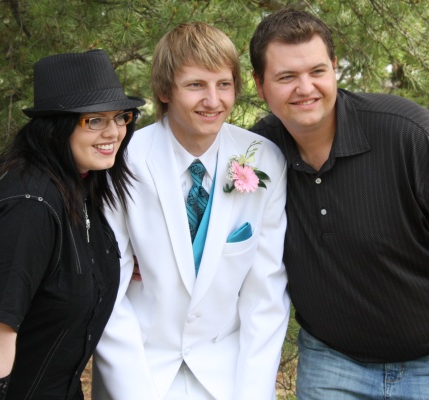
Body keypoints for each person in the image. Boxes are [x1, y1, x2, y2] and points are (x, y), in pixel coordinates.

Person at [249, 8, 429, 400]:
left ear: (335, 68)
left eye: (317, 71)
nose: (305, 88)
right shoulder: (255, 156)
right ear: (260, 85)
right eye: (286, 77)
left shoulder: (416, 140)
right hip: (332, 364)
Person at [92, 22, 289, 400]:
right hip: (140, 371)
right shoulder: (123, 161)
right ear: (165, 90)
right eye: (196, 85)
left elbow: (265, 297)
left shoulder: (264, 160)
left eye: (224, 84)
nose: (213, 100)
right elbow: (108, 294)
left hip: (227, 375)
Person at [0, 49, 145, 399]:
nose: (114, 131)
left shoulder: (79, 183)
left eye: (120, 117)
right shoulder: (28, 206)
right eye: (94, 120)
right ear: (55, 126)